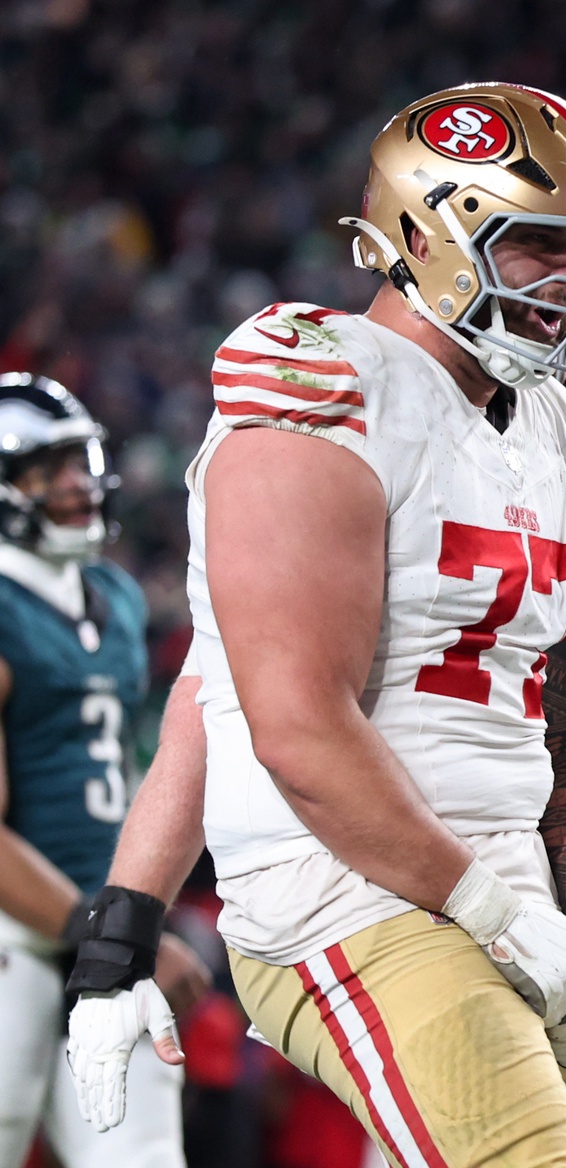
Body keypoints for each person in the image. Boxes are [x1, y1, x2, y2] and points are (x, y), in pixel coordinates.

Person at [58, 390, 566, 1167]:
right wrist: (121, 930)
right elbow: (219, 711)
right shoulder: (365, 442)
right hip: (402, 899)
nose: (563, 290)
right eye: (538, 249)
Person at [63, 83, 566, 1168]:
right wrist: (123, 929)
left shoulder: (555, 423)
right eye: (536, 246)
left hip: (510, 875)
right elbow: (283, 720)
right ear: (422, 234)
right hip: (347, 885)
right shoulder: (319, 387)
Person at [0, 373, 209, 1168]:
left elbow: (122, 777)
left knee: (143, 1158)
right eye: (46, 469)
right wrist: (106, 929)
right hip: (17, 933)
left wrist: (133, 918)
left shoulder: (116, 598)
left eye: (80, 461)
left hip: (104, 936)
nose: (76, 484)